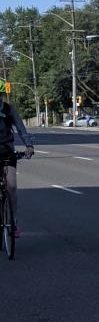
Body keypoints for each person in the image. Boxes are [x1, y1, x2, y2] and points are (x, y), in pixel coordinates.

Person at [0, 97, 35, 236]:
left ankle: (13, 222)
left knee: (12, 186)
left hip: (7, 152)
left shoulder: (9, 110)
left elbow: (21, 129)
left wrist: (29, 146)